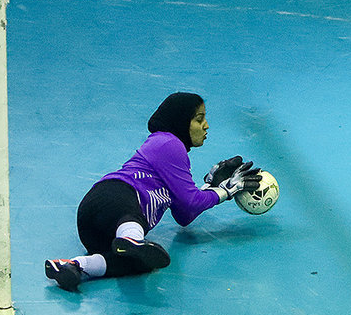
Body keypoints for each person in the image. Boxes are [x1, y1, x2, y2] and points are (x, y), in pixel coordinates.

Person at [44, 92, 261, 291]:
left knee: (140, 263)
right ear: (181, 121)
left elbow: (184, 214)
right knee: (131, 218)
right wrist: (225, 192)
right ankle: (130, 239)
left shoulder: (172, 153)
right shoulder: (168, 142)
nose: (206, 126)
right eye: (199, 119)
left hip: (96, 233)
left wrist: (213, 188)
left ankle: (74, 266)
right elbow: (191, 202)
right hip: (112, 197)